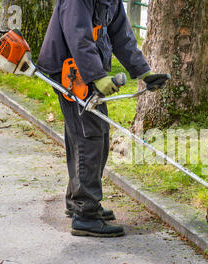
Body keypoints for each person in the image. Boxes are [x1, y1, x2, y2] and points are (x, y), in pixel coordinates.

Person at [37, 0, 168, 237]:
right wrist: (97, 76)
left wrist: (144, 72)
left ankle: (77, 201)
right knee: (91, 137)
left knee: (85, 134)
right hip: (71, 69)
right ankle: (85, 214)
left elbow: (122, 36)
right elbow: (79, 37)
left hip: (83, 68)